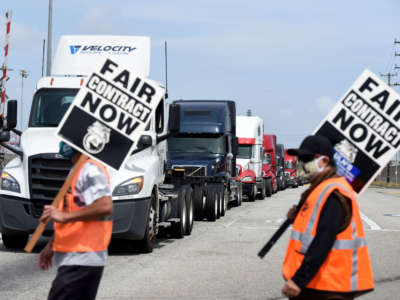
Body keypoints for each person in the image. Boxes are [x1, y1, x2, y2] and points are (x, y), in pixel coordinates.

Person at [281, 135, 374, 300]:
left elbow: (323, 241)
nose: (301, 163)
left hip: (328, 288)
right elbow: (313, 227)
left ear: (323, 161)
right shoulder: (321, 188)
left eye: (305, 159)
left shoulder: (333, 193)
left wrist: (298, 280)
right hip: (319, 285)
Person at [39, 141, 113, 300]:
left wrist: (63, 216)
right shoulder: (77, 170)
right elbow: (70, 212)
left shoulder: (91, 170)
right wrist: (51, 245)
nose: (62, 143)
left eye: (67, 139)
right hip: (73, 258)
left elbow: (105, 205)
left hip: (83, 257)